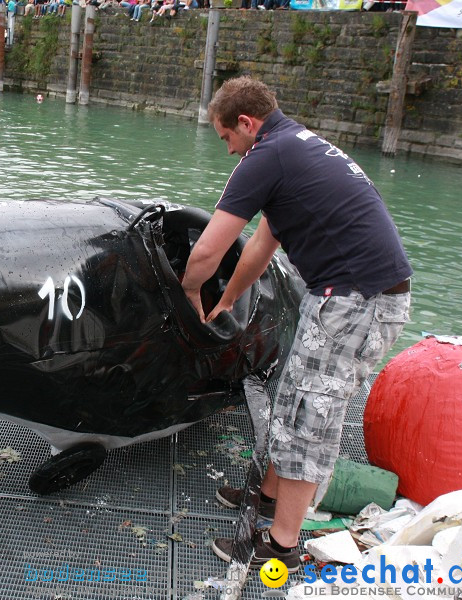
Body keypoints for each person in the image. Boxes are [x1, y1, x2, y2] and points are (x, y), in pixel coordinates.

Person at [179, 77, 412, 572]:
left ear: (247, 123)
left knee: (313, 420)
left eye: (227, 138)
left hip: (358, 303)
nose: (228, 150)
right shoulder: (293, 149)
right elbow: (260, 249)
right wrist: (226, 300)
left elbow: (207, 250)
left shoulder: (265, 157)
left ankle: (281, 544)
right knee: (291, 394)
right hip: (340, 296)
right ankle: (267, 497)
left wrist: (189, 293)